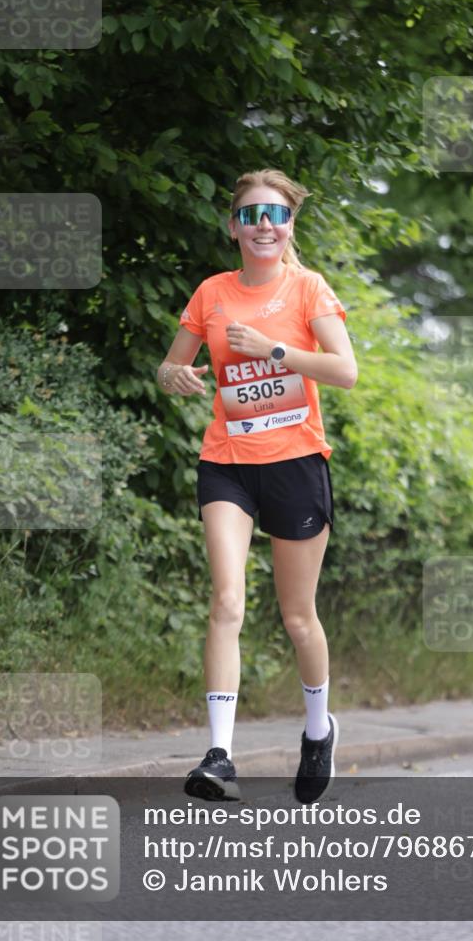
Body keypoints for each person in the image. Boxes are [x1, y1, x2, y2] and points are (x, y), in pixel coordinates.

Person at [157, 168, 358, 804]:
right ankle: (219, 756)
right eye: (250, 215)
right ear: (234, 227)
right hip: (228, 462)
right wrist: (174, 375)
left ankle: (319, 729)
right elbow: (172, 364)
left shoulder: (308, 289)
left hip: (296, 462)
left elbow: (346, 371)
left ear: (289, 225)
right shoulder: (212, 292)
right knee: (227, 601)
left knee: (298, 617)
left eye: (275, 214)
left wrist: (275, 351)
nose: (263, 224)